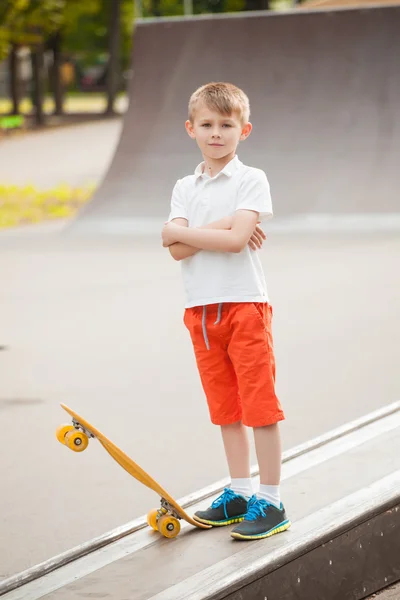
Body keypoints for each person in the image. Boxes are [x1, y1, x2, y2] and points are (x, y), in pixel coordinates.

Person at [162, 82, 290, 540]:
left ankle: (271, 500)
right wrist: (222, 226)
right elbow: (174, 251)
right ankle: (238, 492)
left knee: (260, 407)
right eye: (207, 125)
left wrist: (192, 232)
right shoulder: (183, 186)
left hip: (245, 306)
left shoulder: (250, 179)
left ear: (244, 130)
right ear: (191, 129)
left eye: (227, 125)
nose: (217, 133)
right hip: (200, 311)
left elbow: (231, 241)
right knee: (226, 410)